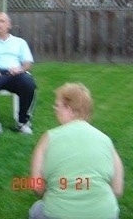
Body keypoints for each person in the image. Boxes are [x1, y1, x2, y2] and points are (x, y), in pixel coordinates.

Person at [29, 82, 124, 219]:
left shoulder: (48, 138)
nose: (54, 109)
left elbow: (37, 187)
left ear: (69, 109)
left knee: (36, 209)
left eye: (57, 105)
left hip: (57, 214)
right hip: (105, 214)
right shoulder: (106, 140)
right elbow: (117, 190)